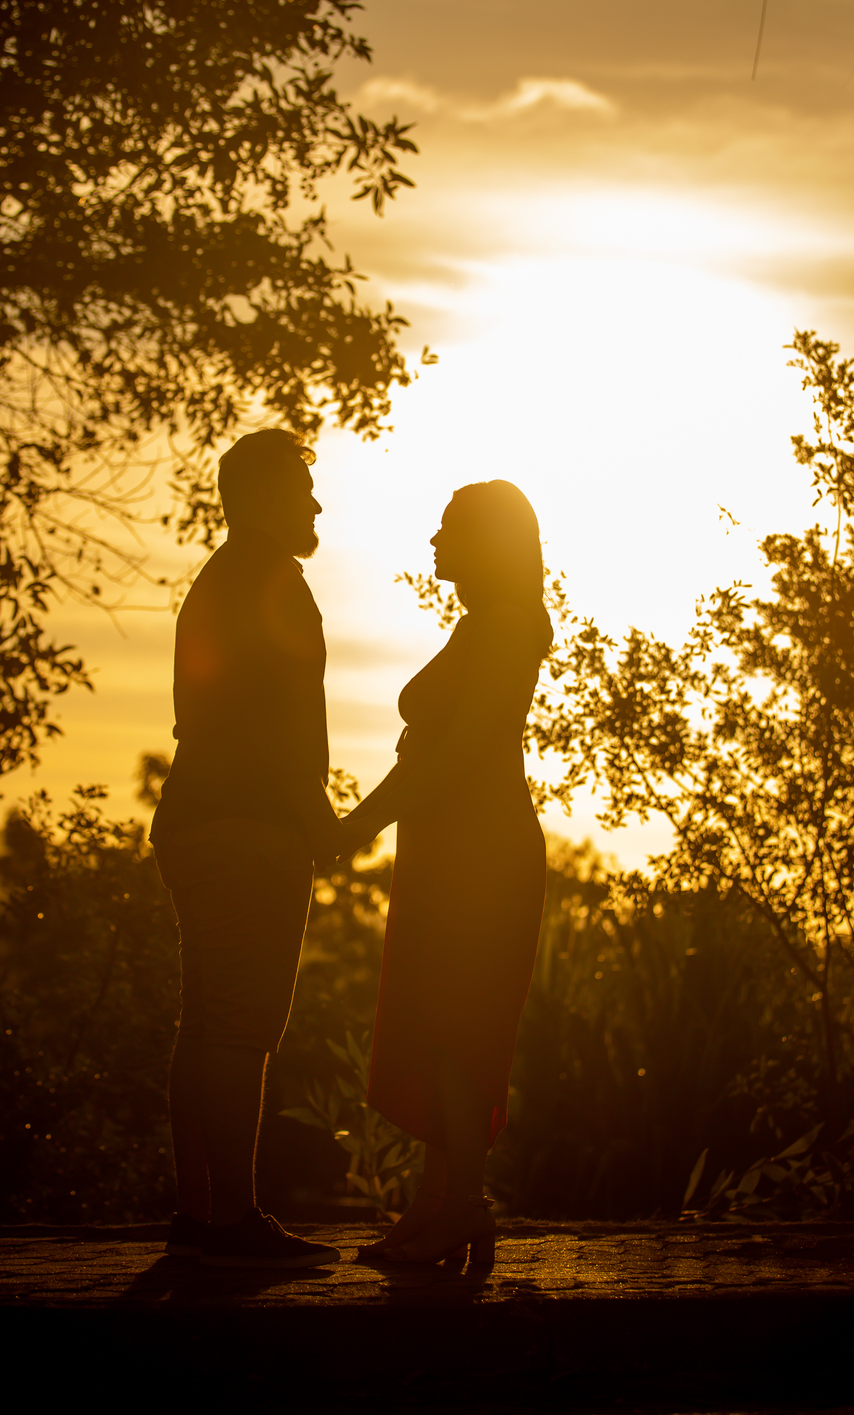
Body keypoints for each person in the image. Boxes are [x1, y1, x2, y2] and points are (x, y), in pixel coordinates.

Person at [337, 479, 553, 1267]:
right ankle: (435, 1204)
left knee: (458, 1034)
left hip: (480, 854)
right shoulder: (481, 625)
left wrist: (363, 822)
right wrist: (369, 820)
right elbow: (432, 753)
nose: (433, 542)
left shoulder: (505, 625)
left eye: (449, 529)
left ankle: (464, 1206)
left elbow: (460, 750)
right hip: (447, 852)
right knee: (436, 1032)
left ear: (487, 542)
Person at [150, 429, 347, 1267]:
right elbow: (290, 730)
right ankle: (231, 1222)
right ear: (265, 497)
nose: (316, 503)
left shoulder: (215, 581)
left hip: (193, 820)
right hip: (249, 832)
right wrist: (322, 821)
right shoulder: (275, 583)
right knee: (240, 1031)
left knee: (205, 1025)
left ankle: (203, 1213)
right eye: (303, 489)